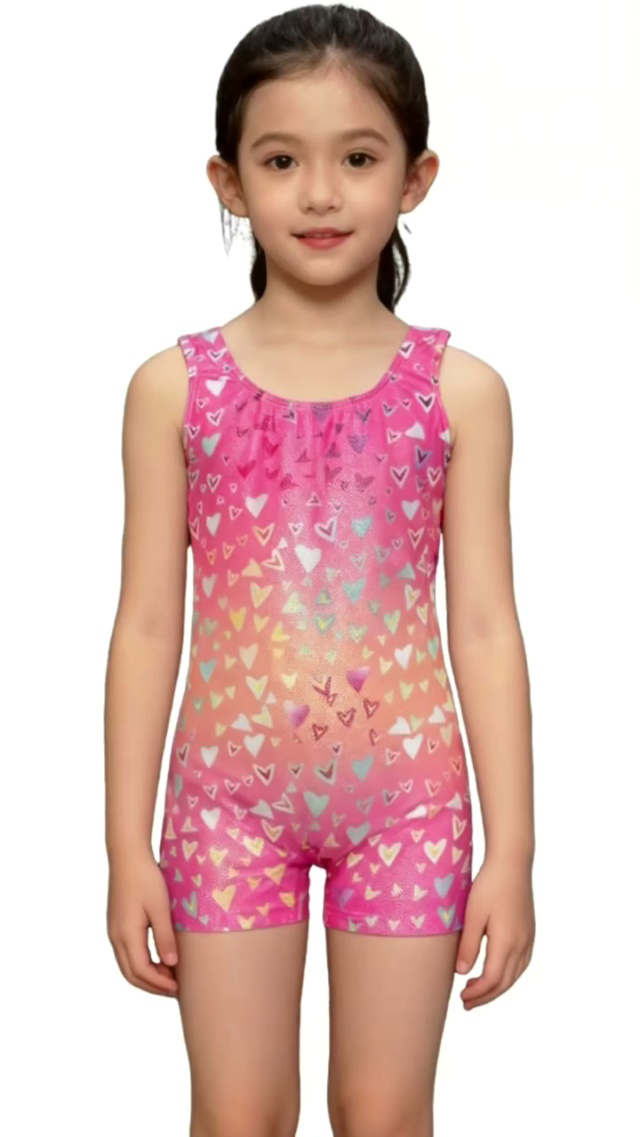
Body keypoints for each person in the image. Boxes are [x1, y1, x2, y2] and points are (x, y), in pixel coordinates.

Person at [104, 5, 536, 1136]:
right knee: (236, 1117)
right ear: (230, 181)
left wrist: (514, 851)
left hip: (409, 805)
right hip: (223, 805)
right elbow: (146, 624)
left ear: (415, 177)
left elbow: (485, 625)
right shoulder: (173, 390)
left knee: (383, 1117)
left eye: (357, 158)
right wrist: (123, 844)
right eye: (281, 161)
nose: (320, 193)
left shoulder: (460, 394)